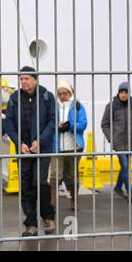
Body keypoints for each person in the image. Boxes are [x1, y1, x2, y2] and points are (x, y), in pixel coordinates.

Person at [4, 66, 56, 236]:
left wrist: (40, 141)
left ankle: (47, 217)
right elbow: (9, 123)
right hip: (23, 150)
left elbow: (52, 121)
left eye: (26, 78)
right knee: (26, 186)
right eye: (21, 79)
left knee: (39, 183)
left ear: (35, 79)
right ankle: (30, 224)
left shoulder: (47, 97)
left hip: (42, 148)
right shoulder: (14, 98)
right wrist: (19, 143)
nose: (23, 82)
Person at [101, 81, 132, 203]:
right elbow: (105, 124)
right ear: (118, 92)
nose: (123, 94)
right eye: (121, 92)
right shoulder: (112, 106)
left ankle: (118, 187)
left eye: (126, 92)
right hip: (118, 143)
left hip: (130, 143)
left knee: (125, 168)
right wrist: (111, 138)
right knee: (125, 166)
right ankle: (130, 191)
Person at [50, 79, 87, 211]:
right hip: (57, 147)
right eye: (60, 93)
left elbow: (83, 123)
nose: (62, 96)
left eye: (65, 93)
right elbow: (48, 122)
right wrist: (56, 126)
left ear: (70, 93)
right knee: (55, 174)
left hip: (74, 147)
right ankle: (52, 203)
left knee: (71, 175)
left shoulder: (77, 106)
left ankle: (74, 200)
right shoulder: (53, 106)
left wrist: (70, 126)